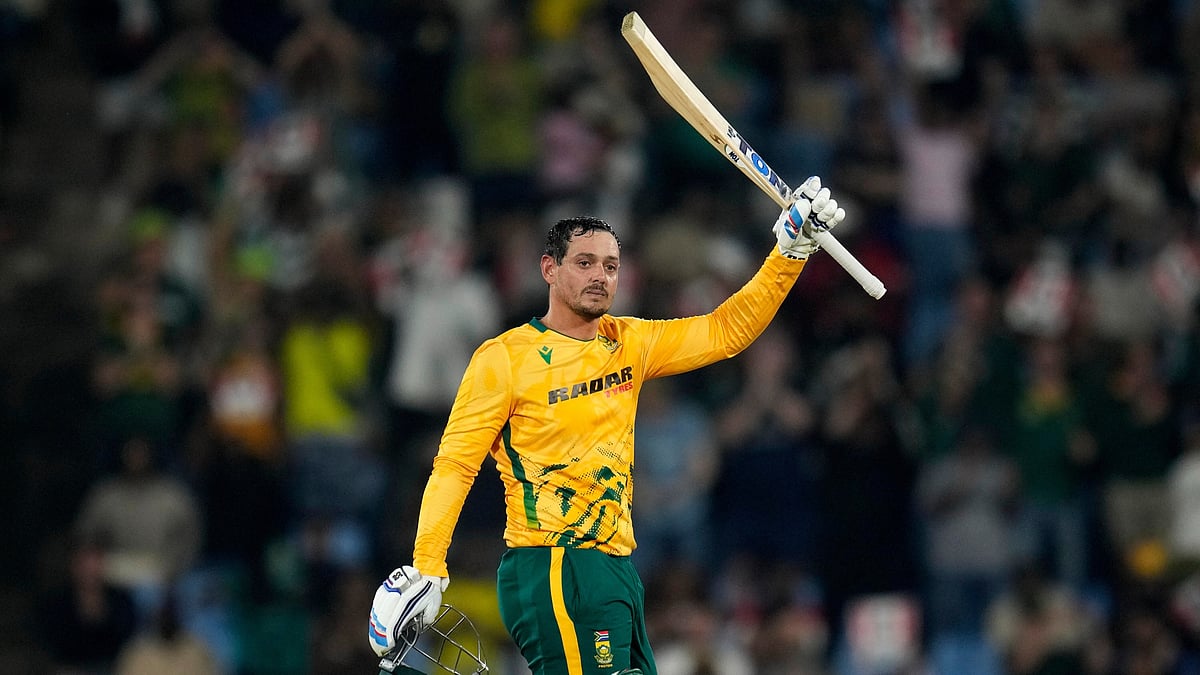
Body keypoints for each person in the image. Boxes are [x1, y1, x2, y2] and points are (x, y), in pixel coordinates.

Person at [368, 176, 845, 674]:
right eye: (585, 263)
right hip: (552, 562)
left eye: (611, 266)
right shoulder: (504, 359)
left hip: (615, 567)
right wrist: (428, 565)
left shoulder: (629, 343)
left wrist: (789, 252)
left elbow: (726, 331)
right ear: (549, 270)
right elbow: (455, 466)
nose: (601, 276)